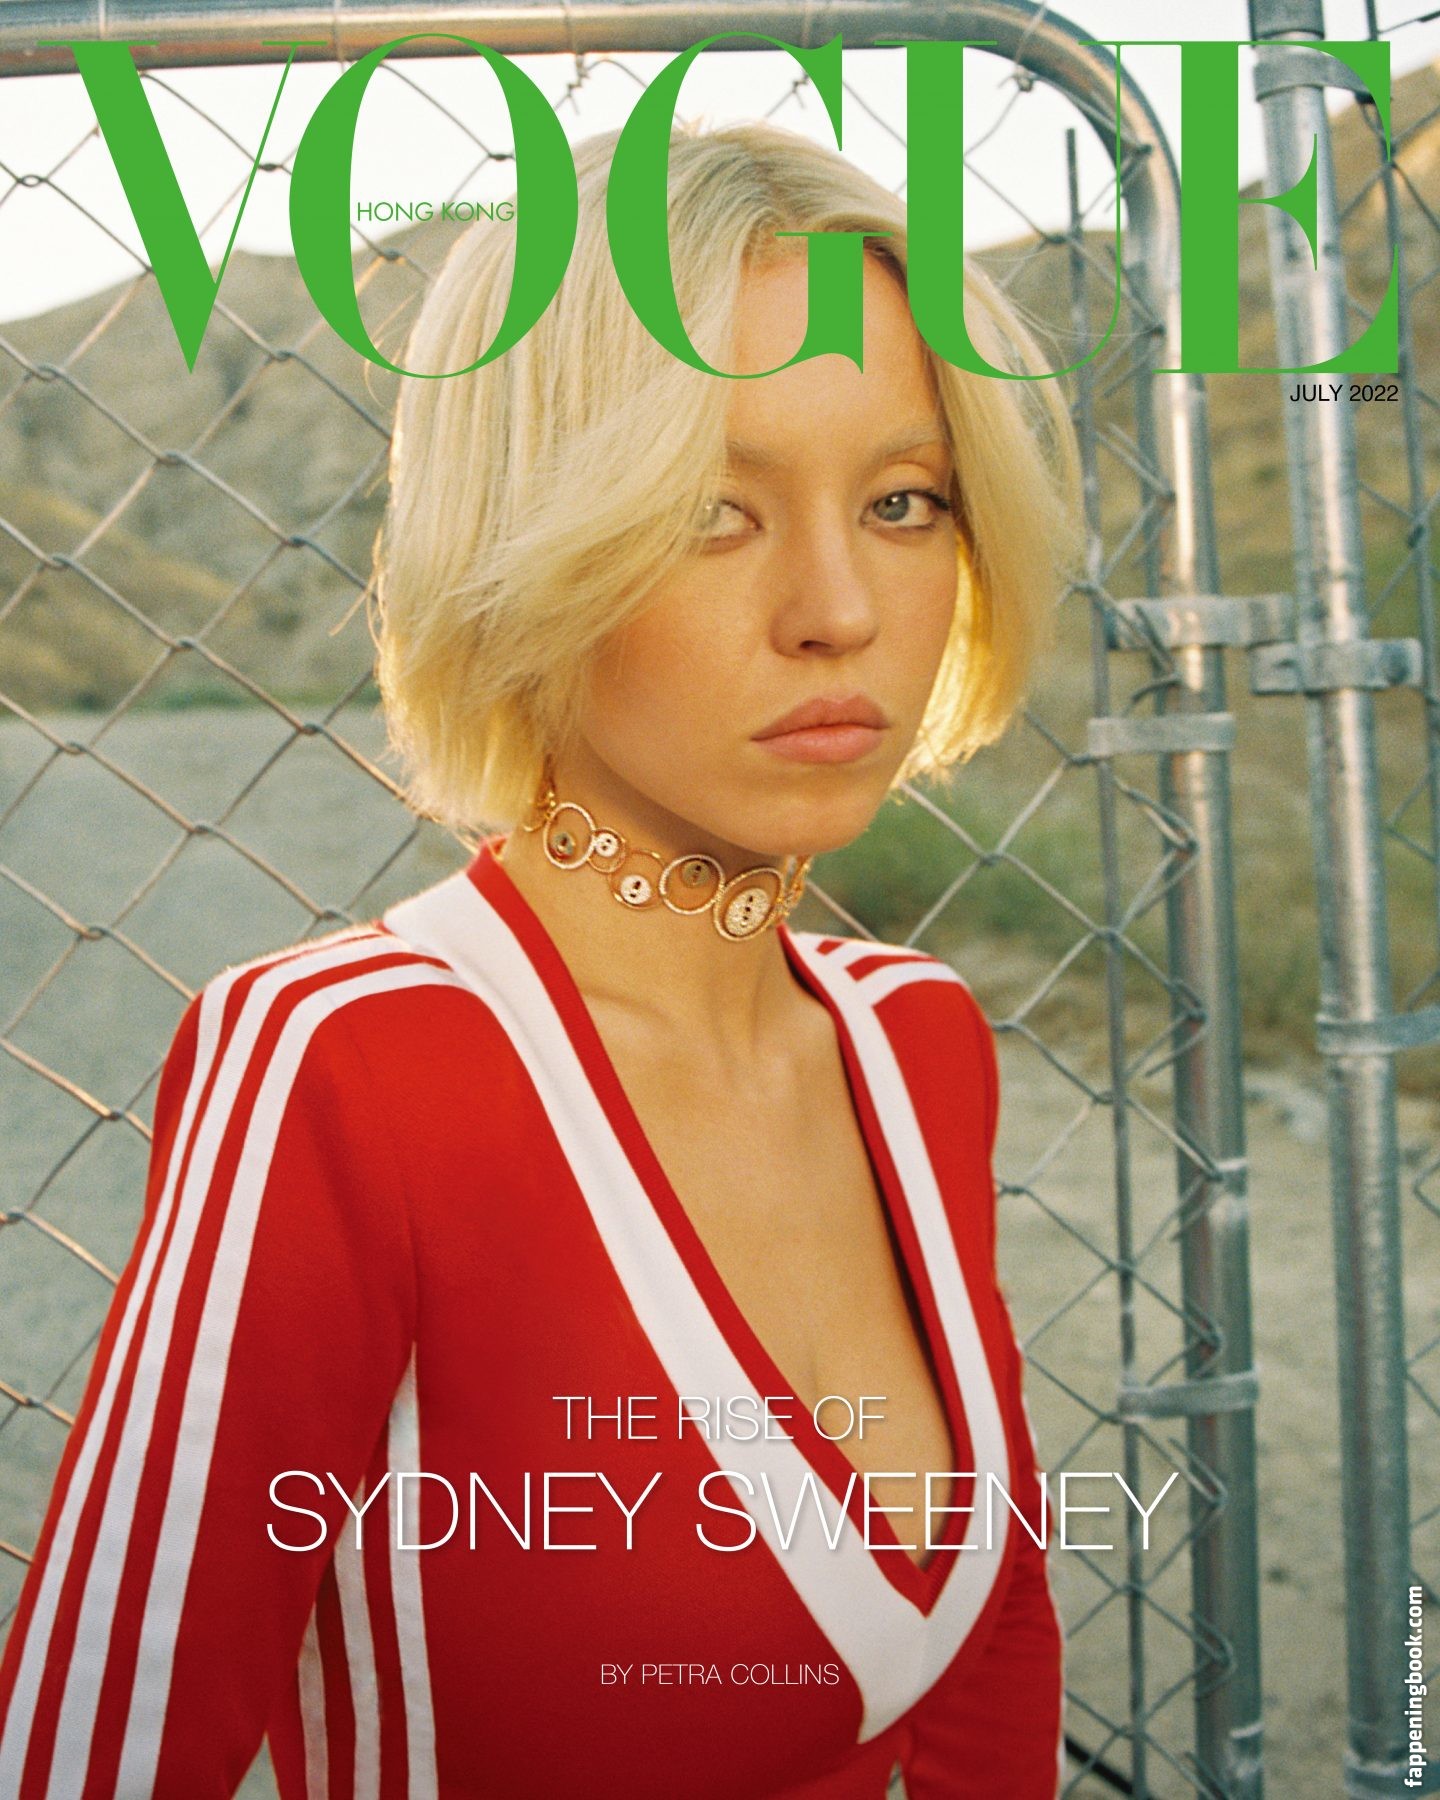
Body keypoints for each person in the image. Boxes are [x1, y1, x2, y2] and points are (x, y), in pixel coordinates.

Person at [0, 121, 1077, 1798]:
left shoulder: (918, 1043)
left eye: (902, 501)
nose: (840, 609)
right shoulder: (348, 1070)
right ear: (530, 545)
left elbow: (985, 1659)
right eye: (712, 511)